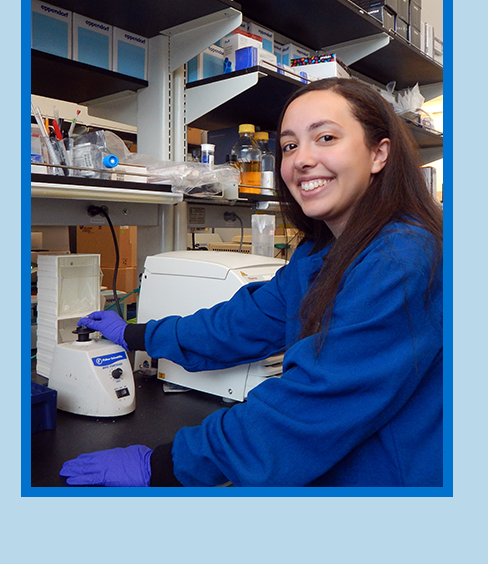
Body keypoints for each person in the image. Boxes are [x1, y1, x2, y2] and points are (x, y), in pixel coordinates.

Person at [63, 78, 444, 487]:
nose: (301, 159)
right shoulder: (320, 253)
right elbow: (240, 324)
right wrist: (135, 334)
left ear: (378, 154)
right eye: (290, 146)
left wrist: (166, 464)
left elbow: (312, 406)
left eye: (326, 137)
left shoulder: (401, 256)